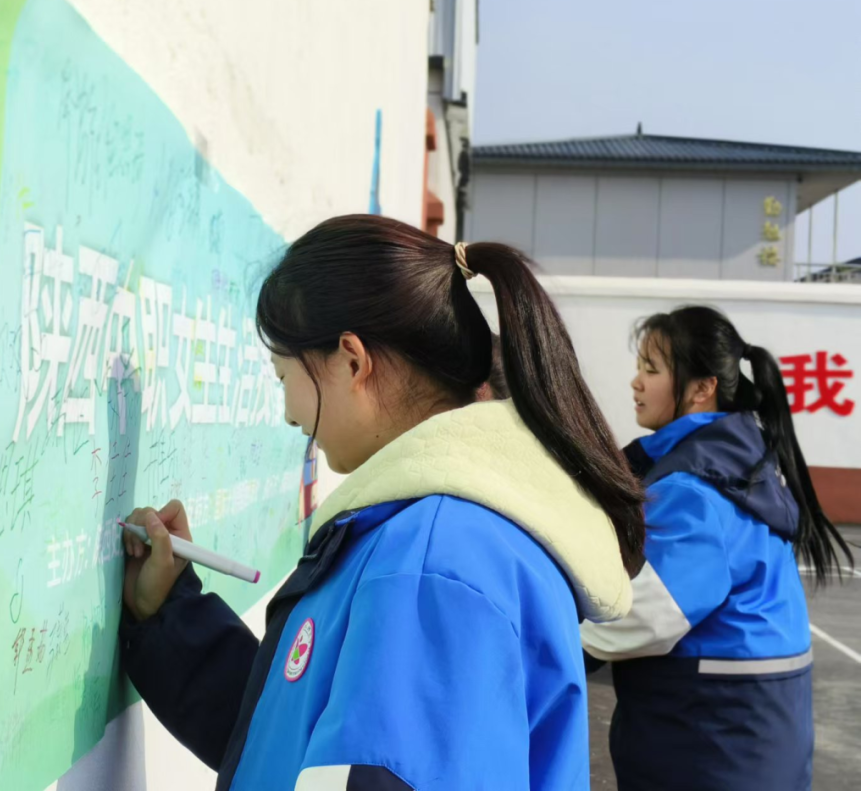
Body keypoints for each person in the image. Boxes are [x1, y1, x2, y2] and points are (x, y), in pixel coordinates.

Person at [119, 215, 644, 790]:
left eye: (283, 376)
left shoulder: (431, 561)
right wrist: (170, 614)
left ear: (351, 360)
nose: (289, 413)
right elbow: (297, 741)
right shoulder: (440, 537)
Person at [581, 305, 854, 791]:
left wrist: (557, 639)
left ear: (703, 388)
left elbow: (645, 616)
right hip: (754, 732)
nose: (635, 383)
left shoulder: (695, 488)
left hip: (712, 736)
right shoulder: (741, 463)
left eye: (652, 369)